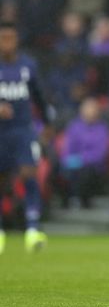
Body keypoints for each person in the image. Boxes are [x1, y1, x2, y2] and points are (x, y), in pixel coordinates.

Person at [0, 22, 54, 253]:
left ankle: (32, 230)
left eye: (10, 38)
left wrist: (48, 125)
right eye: (3, 38)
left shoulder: (27, 66)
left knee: (29, 174)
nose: (7, 43)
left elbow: (40, 97)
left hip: (23, 130)